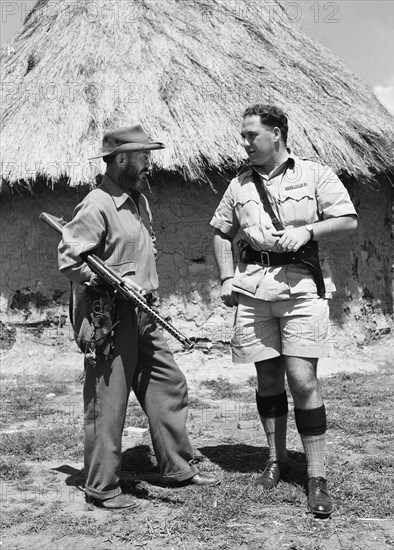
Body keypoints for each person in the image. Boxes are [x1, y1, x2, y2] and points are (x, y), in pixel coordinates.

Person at [58, 125, 220, 509]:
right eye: (144, 156)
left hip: (144, 313)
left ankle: (177, 467)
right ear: (120, 160)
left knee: (169, 384)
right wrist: (106, 278)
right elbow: (69, 259)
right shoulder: (96, 204)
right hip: (109, 316)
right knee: (108, 402)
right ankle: (101, 487)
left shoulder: (139, 201)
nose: (150, 163)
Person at [210, 104, 357, 516]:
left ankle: (317, 476)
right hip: (255, 291)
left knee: (301, 377)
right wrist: (225, 278)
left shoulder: (313, 174)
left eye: (250, 136)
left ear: (275, 134)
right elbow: (221, 233)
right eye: (243, 136)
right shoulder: (239, 184)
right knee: (268, 377)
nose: (244, 144)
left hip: (300, 288)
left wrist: (308, 230)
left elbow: (347, 219)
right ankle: (276, 460)